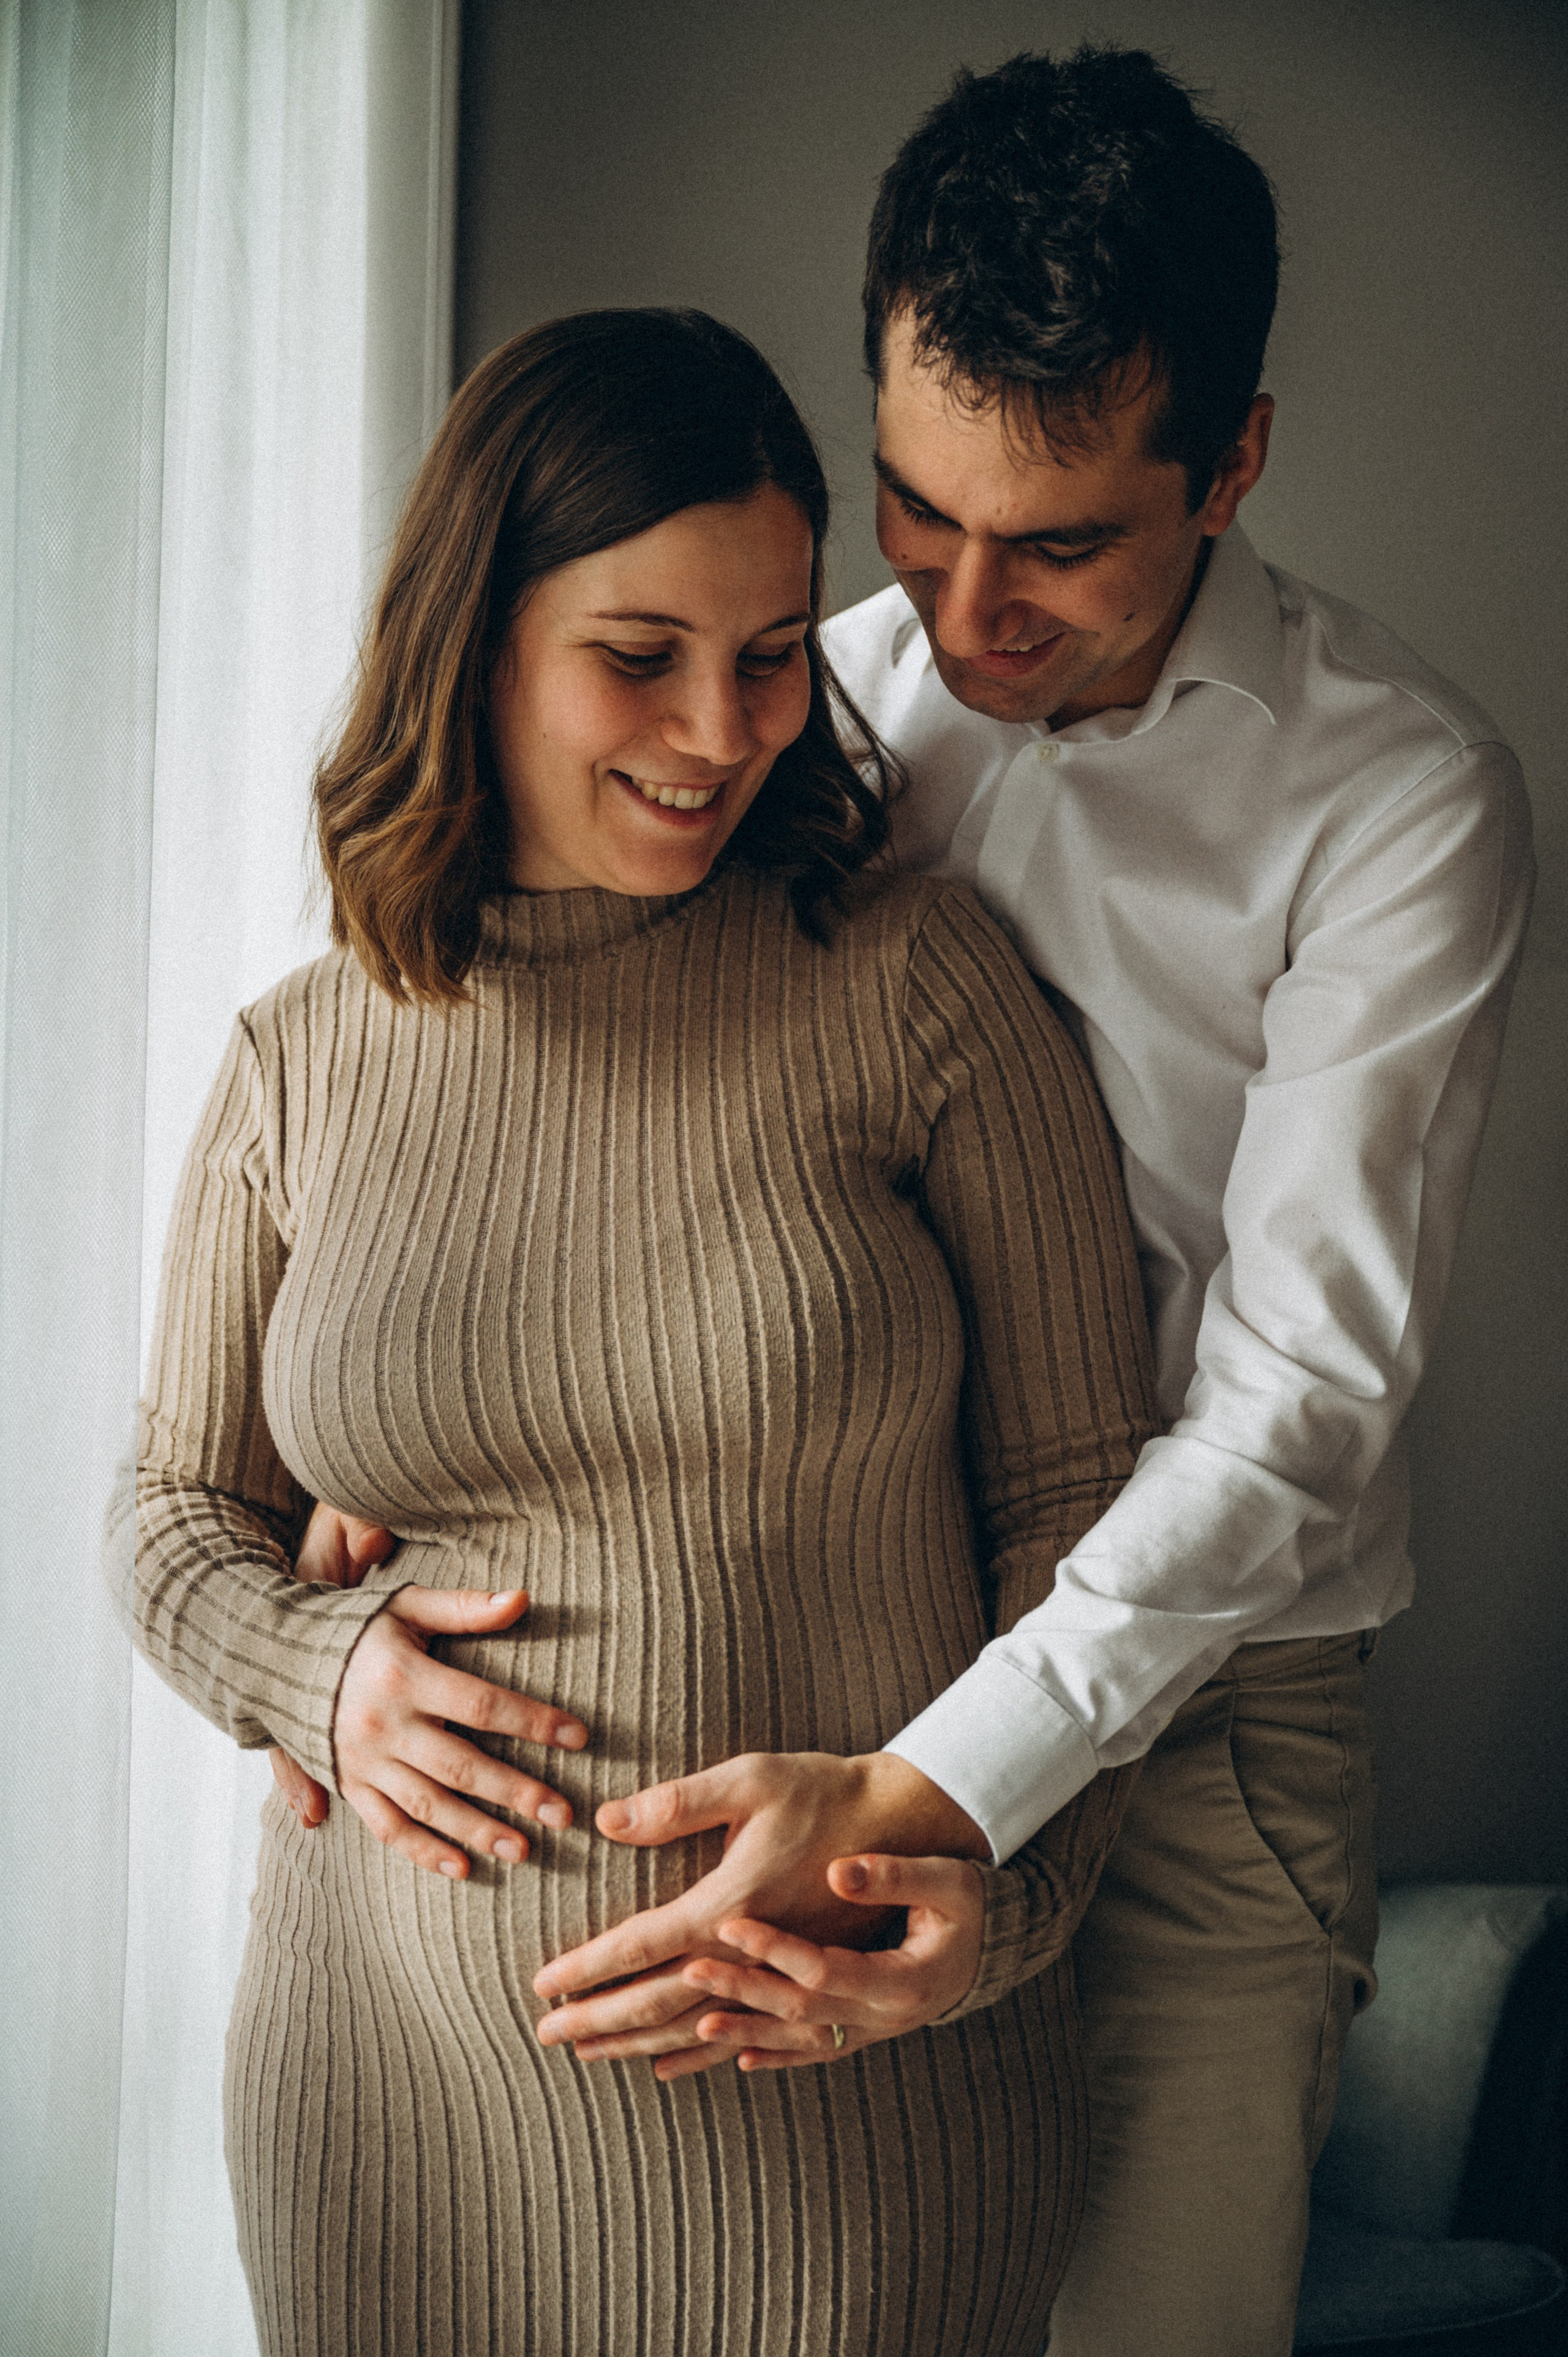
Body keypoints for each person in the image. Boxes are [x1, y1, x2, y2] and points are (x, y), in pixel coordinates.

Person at [344, 48, 1526, 2357]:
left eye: (1064, 541)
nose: (965, 614)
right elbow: (570, 1110)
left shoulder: (1402, 800)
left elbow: (1305, 1407)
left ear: (1239, 460)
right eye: (914, 509)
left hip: (1197, 1727)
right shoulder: (805, 714)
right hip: (819, 1645)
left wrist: (957, 1779)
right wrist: (359, 1461)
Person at [129, 306, 1157, 2356]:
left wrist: (994, 1921)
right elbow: (171, 1517)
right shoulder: (304, 1057)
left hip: (858, 2141)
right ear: (479, 640)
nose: (723, 728)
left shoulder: (910, 985)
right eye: (640, 656)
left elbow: (1090, 1531)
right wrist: (317, 1671)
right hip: (390, 2137)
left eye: (773, 653)